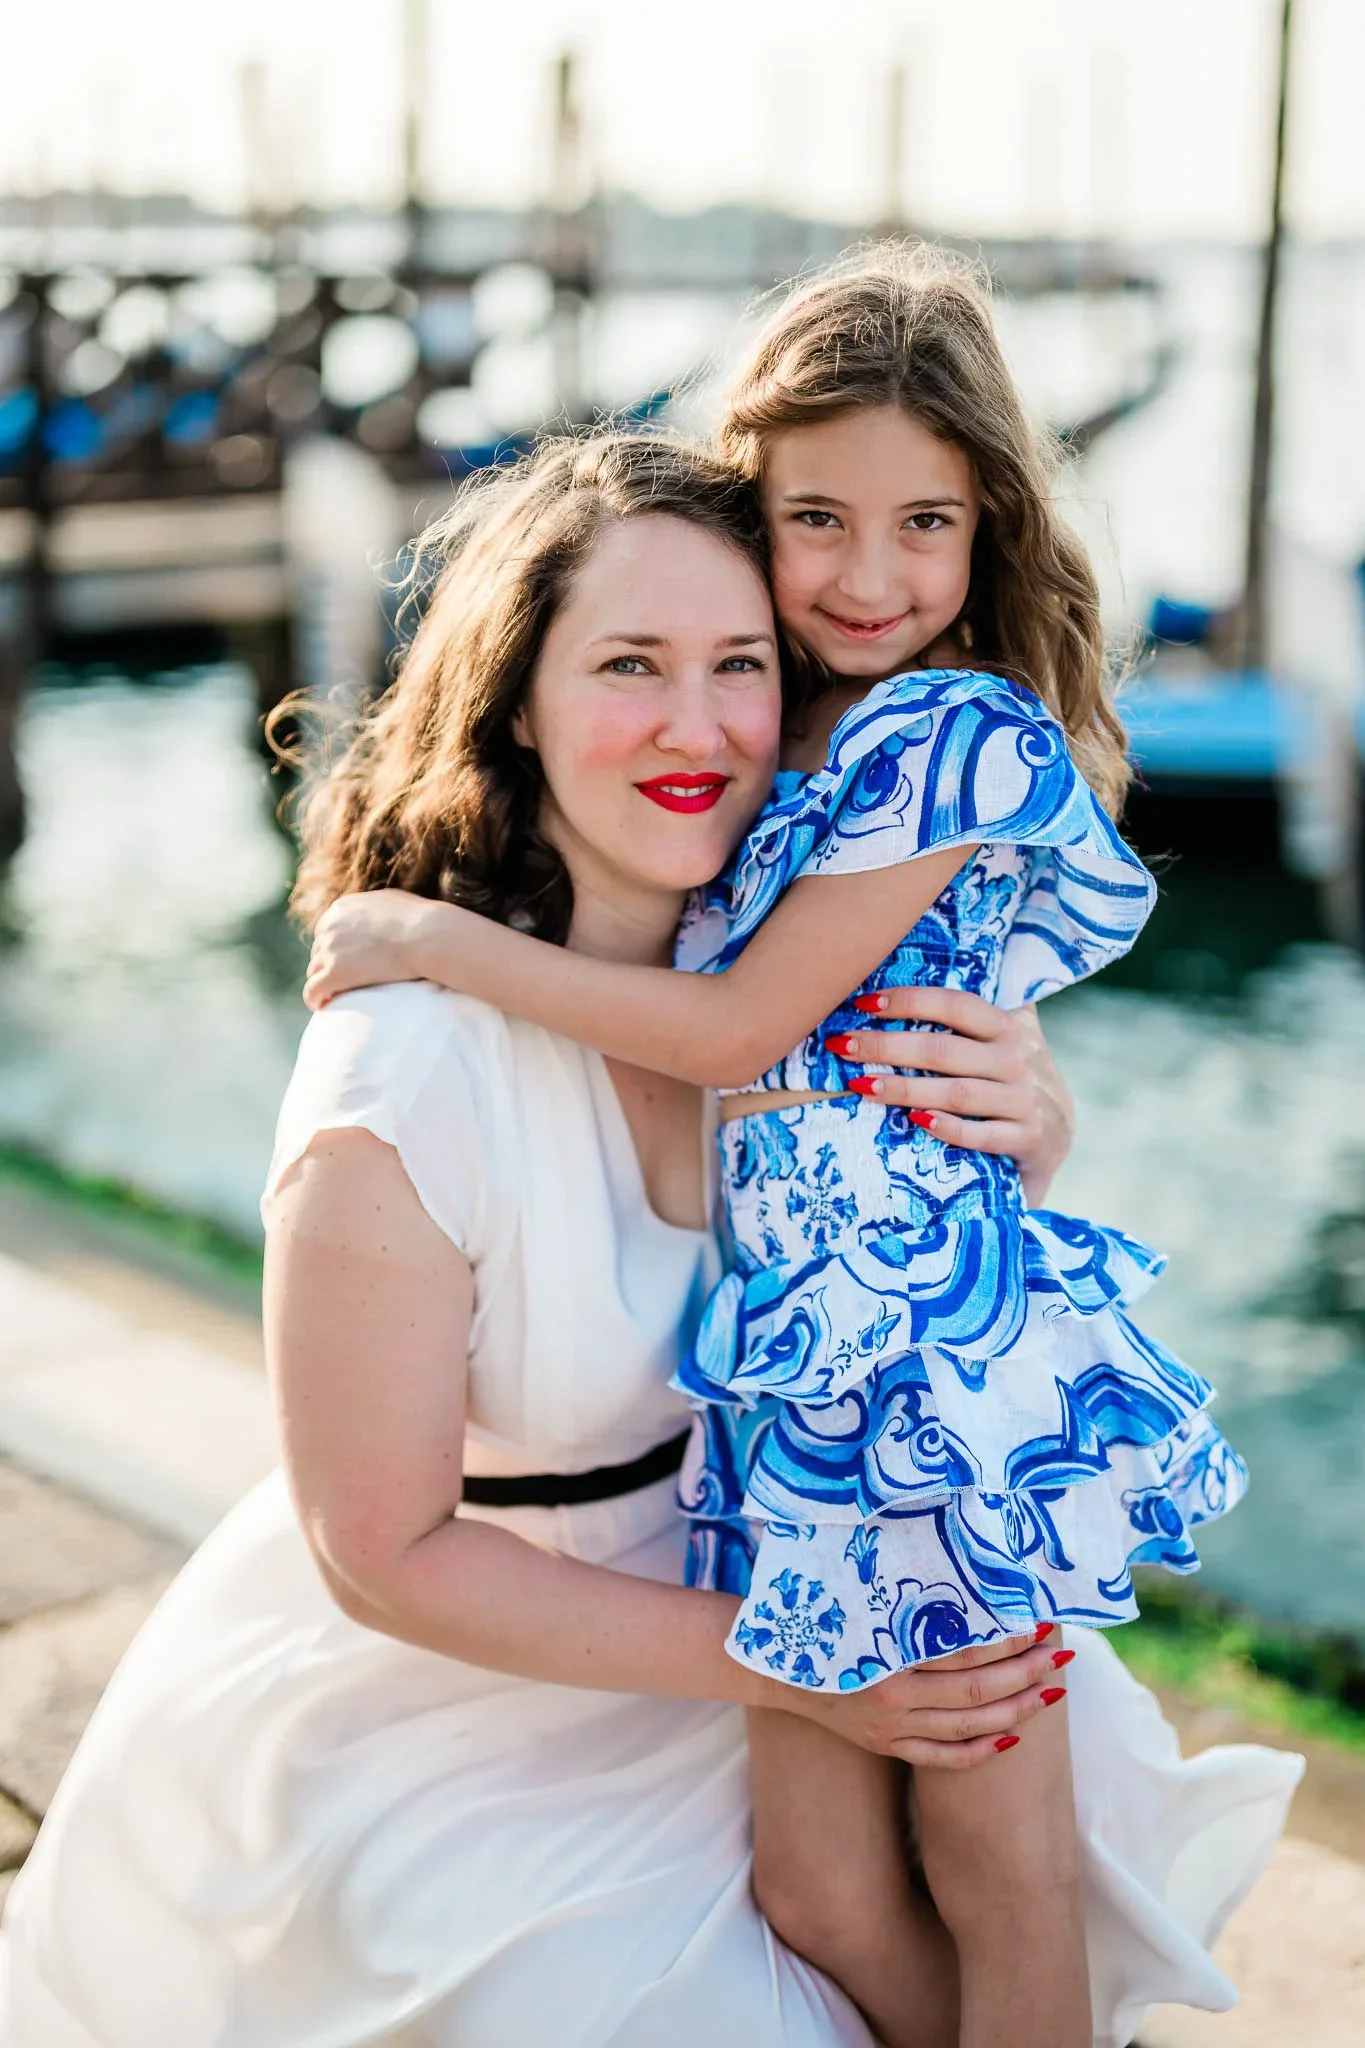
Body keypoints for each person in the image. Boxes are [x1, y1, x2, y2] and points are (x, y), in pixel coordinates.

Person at [0, 433, 1296, 2048]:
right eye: (628, 664)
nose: (697, 726)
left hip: (774, 1574)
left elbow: (900, 1305)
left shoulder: (808, 989)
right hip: (491, 1678)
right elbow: (381, 1556)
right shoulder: (402, 1082)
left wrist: (1030, 1132)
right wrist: (806, 1670)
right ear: (514, 702)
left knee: (1072, 1813)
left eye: (739, 663)